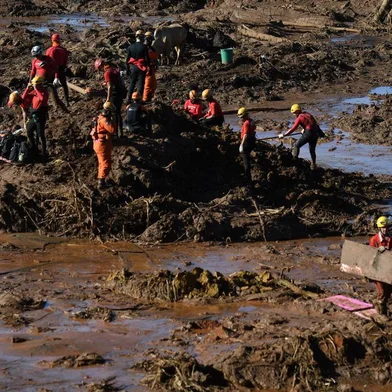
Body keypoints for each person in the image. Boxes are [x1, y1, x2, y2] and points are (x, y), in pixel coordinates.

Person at [11, 76, 50, 160]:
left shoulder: (43, 92)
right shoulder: (34, 92)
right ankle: (33, 149)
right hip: (33, 116)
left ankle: (44, 153)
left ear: (39, 85)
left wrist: (36, 89)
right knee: (29, 131)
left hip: (40, 117)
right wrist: (27, 89)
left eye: (35, 85)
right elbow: (23, 98)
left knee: (41, 135)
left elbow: (42, 99)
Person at [278, 104, 319, 170]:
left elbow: (293, 129)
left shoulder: (299, 118)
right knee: (312, 150)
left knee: (296, 146)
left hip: (309, 133)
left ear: (297, 111)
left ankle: (295, 162)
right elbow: (313, 123)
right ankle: (313, 165)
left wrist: (284, 135)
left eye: (294, 113)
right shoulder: (307, 114)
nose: (294, 115)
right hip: (316, 133)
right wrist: (305, 129)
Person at [94, 58, 126, 138]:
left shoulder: (107, 73)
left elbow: (110, 86)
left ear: (101, 67)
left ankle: (116, 133)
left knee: (114, 113)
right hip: (120, 91)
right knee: (118, 112)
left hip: (115, 93)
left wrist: (108, 99)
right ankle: (120, 132)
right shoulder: (112, 69)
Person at [370, 216, 392, 317]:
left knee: (388, 292)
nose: (385, 229)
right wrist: (378, 251)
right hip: (378, 270)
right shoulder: (374, 240)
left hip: (388, 269)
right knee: (382, 292)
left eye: (387, 227)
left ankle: (384, 309)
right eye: (383, 227)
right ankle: (381, 314)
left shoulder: (390, 239)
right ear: (379, 228)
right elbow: (369, 256)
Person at [91, 105, 116, 189]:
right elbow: (112, 130)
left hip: (98, 143)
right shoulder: (104, 120)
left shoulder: (98, 117)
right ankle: (101, 182)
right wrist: (112, 121)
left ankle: (101, 178)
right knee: (105, 163)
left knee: (101, 163)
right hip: (102, 145)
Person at [46, 33, 70, 106]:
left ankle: (56, 101)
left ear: (52, 40)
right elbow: (66, 61)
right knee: (64, 85)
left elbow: (47, 61)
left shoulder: (49, 50)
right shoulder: (63, 50)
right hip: (61, 68)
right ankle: (67, 101)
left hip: (52, 70)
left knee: (51, 86)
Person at [126, 30, 149, 103]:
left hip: (133, 67)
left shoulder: (130, 47)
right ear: (142, 38)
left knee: (132, 83)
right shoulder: (144, 47)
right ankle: (138, 99)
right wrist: (149, 68)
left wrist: (127, 69)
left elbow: (127, 59)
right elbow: (146, 59)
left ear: (136, 37)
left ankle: (128, 98)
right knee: (141, 83)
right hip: (142, 67)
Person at [238, 107, 256, 181]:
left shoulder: (246, 123)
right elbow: (254, 128)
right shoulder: (251, 121)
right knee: (247, 157)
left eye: (242, 117)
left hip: (247, 142)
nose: (241, 119)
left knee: (245, 159)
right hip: (252, 140)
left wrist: (242, 144)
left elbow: (245, 134)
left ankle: (247, 177)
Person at [143, 31, 158, 103]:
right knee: (148, 84)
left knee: (154, 85)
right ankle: (145, 99)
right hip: (148, 68)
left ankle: (149, 97)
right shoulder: (145, 49)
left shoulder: (151, 48)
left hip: (152, 68)